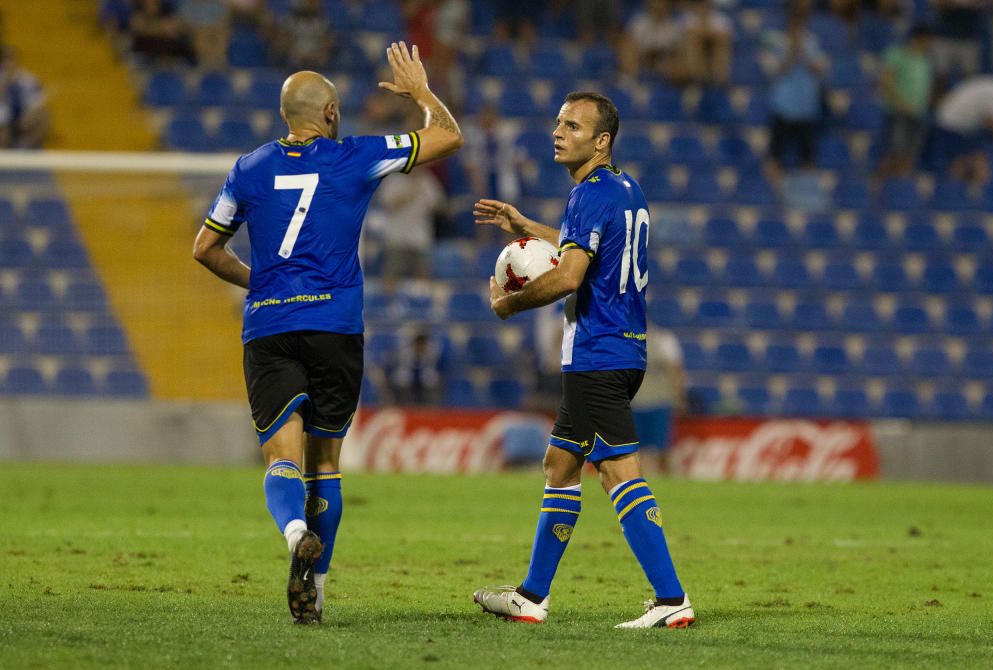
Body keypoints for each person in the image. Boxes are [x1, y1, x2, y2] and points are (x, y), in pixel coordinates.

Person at [192, 42, 462, 624]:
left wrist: (259, 279)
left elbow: (205, 248)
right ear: (332, 115)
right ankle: (316, 591)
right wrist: (420, 93)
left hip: (269, 325)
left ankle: (293, 534)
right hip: (336, 325)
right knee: (328, 463)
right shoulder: (354, 157)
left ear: (284, 116)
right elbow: (447, 136)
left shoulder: (249, 167)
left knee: (281, 458)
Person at [470, 92, 694, 629]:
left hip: (598, 350)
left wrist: (510, 304)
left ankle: (670, 599)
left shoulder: (587, 195)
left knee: (618, 473)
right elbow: (583, 249)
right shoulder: (625, 188)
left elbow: (570, 275)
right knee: (560, 464)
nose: (558, 131)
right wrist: (527, 227)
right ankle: (531, 595)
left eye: (572, 125)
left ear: (601, 141)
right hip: (618, 347)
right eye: (558, 122)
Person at [761, 3, 828, 181]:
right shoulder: (777, 42)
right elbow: (774, 69)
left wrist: (804, 53)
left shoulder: (811, 42)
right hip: (784, 105)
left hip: (805, 105)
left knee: (807, 155)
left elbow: (821, 68)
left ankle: (806, 189)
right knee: (775, 155)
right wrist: (791, 51)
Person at [875, 23, 934, 181]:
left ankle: (900, 190)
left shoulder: (924, 60)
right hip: (898, 113)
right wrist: (900, 102)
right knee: (895, 152)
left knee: (911, 154)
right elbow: (885, 82)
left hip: (918, 114)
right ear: (919, 39)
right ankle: (880, 187)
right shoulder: (896, 54)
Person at [632, 325, 686, 475]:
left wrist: (678, 397)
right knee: (638, 452)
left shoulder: (665, 340)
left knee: (665, 450)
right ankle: (645, 486)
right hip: (635, 404)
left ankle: (675, 483)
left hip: (660, 402)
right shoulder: (625, 340)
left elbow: (675, 371)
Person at [933, 73, 993, 186]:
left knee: (975, 157)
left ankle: (960, 189)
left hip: (954, 122)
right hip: (952, 124)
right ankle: (972, 192)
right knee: (977, 159)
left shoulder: (990, 85)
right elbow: (992, 123)